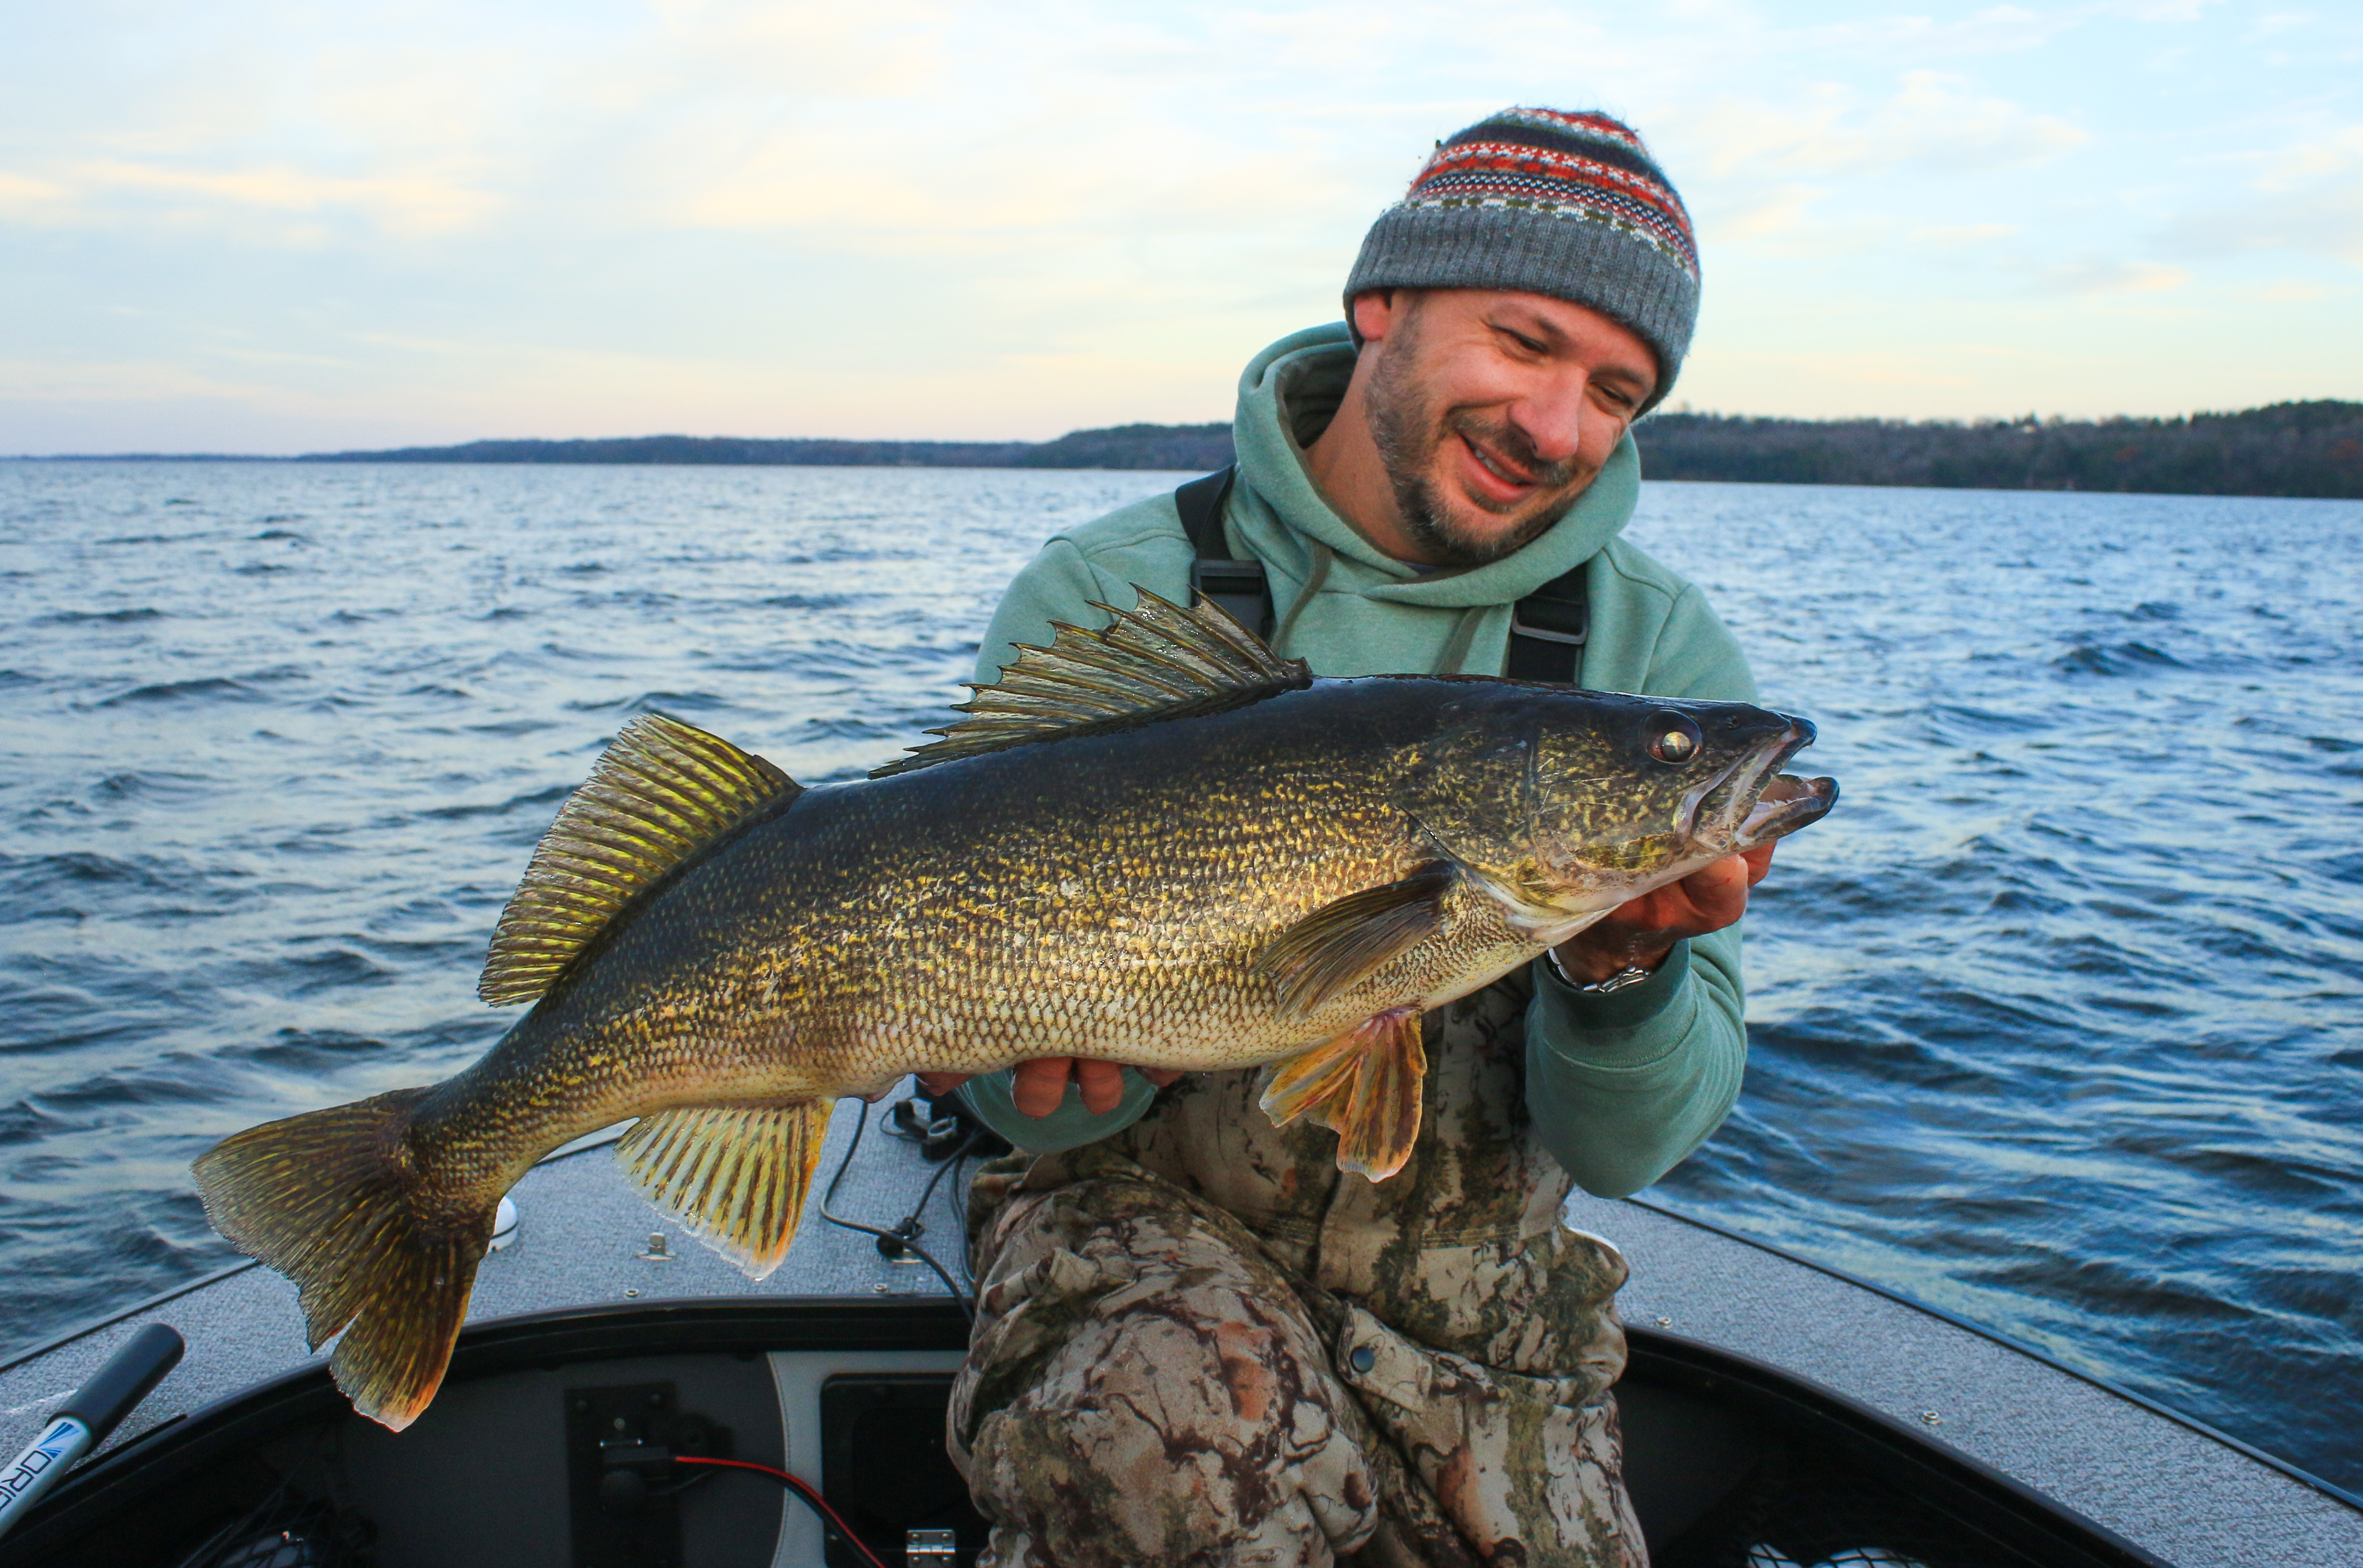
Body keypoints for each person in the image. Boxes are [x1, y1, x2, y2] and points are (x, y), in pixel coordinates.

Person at [920, 107, 1772, 1568]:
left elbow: (1630, 1149)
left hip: (1483, 1306)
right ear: (1381, 303)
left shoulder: (1652, 650)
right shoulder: (1114, 589)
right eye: (1521, 341)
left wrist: (1620, 970)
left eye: (1615, 390)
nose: (1555, 425)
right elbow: (1032, 1118)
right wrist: (1026, 1071)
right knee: (1178, 1475)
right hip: (1126, 1247)